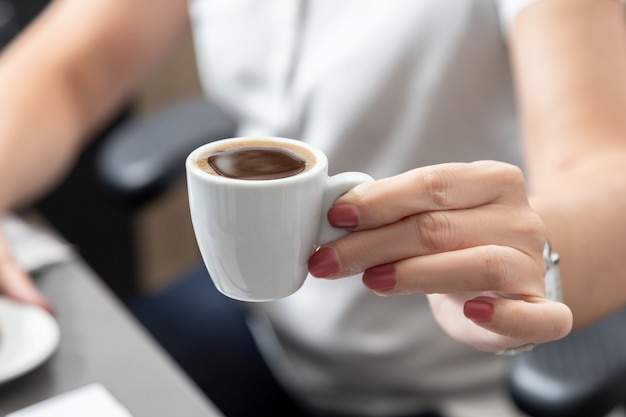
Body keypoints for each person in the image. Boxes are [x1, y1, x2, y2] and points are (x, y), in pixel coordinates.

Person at [1, 0, 626, 416]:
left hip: (456, 382)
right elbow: (68, 68)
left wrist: (529, 258)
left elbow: (601, 165)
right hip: (273, 330)